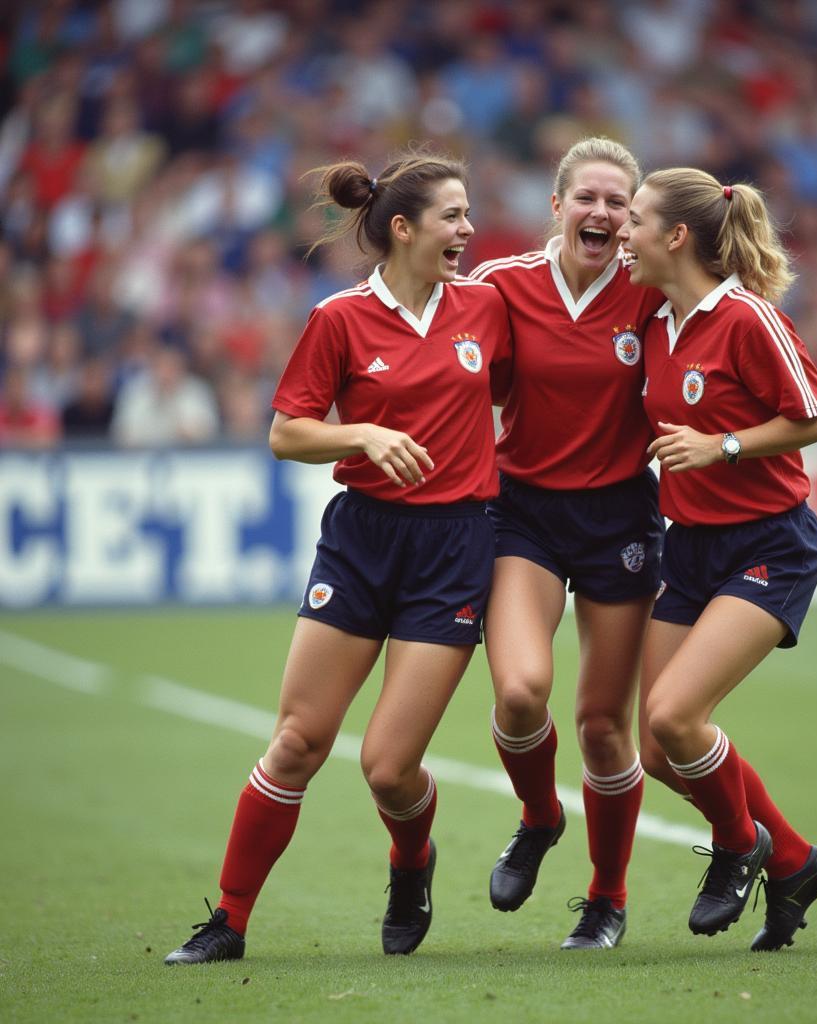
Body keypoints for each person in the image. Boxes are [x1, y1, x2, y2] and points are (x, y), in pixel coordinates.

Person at [164, 152, 511, 963]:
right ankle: (230, 922)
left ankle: (411, 861)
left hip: (455, 548)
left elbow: (526, 394)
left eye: (468, 215)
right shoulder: (339, 320)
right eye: (453, 216)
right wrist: (362, 432)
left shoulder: (489, 309)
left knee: (390, 770)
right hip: (361, 543)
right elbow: (287, 432)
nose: (467, 230)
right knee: (297, 742)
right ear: (404, 228)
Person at [617, 167, 817, 952]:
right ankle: (790, 858)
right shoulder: (654, 321)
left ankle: (736, 847)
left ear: (676, 236)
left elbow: (816, 418)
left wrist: (724, 446)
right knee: (655, 747)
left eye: (636, 219)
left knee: (678, 717)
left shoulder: (747, 318)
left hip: (768, 545)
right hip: (690, 548)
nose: (623, 232)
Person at [468, 137, 664, 950]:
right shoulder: (501, 284)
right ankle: (541, 814)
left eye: (619, 202)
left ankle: (606, 899)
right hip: (528, 516)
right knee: (519, 692)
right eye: (587, 197)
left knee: (602, 729)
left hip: (621, 520)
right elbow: (444, 367)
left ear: (634, 218)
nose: (603, 213)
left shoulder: (652, 290)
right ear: (556, 207)